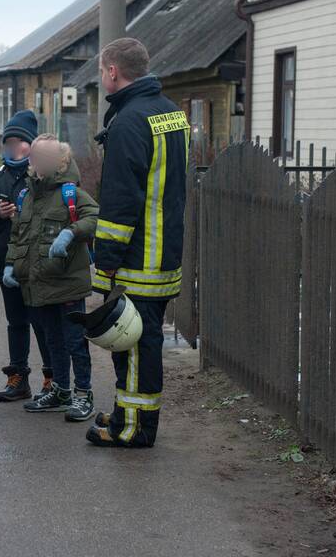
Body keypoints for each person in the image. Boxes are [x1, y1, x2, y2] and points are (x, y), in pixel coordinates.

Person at [85, 37, 188, 449]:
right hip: (164, 251)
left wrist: (105, 262)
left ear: (113, 71)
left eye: (102, 71)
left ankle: (133, 429)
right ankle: (131, 413)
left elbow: (121, 202)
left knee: (133, 346)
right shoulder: (171, 114)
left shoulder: (128, 122)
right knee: (142, 343)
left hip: (137, 258)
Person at [3, 135, 98, 422]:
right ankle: (61, 391)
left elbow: (94, 217)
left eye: (44, 158)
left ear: (61, 161)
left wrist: (71, 232)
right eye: (34, 157)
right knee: (52, 342)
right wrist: (10, 265)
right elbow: (18, 236)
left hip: (67, 283)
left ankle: (83, 394)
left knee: (74, 342)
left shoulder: (71, 193)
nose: (37, 163)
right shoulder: (26, 195)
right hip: (37, 284)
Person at [0, 110, 53, 401]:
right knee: (16, 322)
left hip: (36, 264)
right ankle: (18, 378)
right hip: (5, 264)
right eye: (8, 141)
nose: (11, 147)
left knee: (41, 322)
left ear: (30, 145)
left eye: (17, 141)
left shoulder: (42, 174)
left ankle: (51, 377)